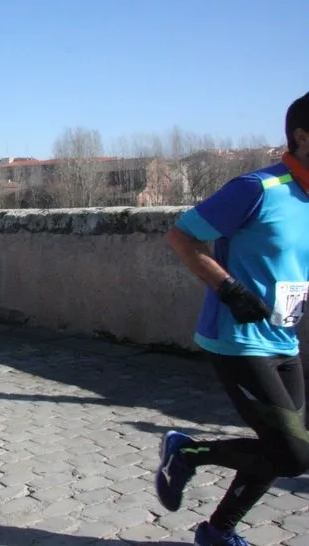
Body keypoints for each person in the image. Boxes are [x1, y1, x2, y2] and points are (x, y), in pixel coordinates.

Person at [157, 91, 309, 546]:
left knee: (279, 446)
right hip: (238, 338)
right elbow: (182, 237)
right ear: (303, 137)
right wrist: (229, 289)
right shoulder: (258, 189)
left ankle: (217, 531)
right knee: (294, 455)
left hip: (284, 339)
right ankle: (189, 453)